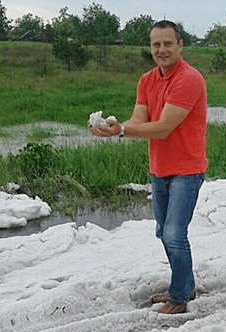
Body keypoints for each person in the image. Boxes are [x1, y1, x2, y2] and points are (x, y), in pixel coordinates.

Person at [88, 20, 207, 314]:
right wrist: (113, 127)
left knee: (174, 234)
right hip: (160, 168)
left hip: (187, 169)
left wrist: (123, 131)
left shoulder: (189, 79)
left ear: (180, 45)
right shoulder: (147, 80)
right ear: (150, 48)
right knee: (162, 231)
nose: (162, 50)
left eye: (168, 43)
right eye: (156, 44)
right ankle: (185, 283)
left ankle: (179, 297)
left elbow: (165, 127)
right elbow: (140, 119)